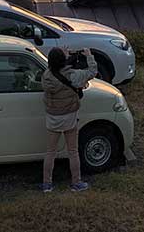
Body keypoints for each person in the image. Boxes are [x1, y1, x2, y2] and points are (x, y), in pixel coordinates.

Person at [40, 46, 97, 193]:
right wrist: (89, 55)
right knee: (73, 151)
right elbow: (92, 72)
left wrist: (63, 57)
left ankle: (47, 184)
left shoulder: (46, 76)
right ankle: (76, 183)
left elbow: (56, 69)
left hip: (53, 117)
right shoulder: (73, 75)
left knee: (50, 152)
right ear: (62, 61)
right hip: (69, 117)